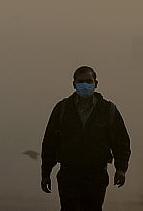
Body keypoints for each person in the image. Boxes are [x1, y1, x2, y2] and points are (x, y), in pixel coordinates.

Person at [40, 66, 131, 210]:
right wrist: (45, 173)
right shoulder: (62, 109)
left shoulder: (108, 110)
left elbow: (121, 142)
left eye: (89, 81)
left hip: (96, 175)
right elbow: (50, 143)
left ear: (96, 83)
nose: (85, 86)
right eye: (80, 82)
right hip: (69, 174)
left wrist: (121, 169)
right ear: (74, 84)